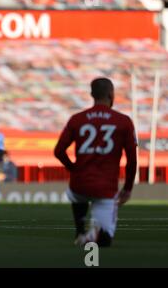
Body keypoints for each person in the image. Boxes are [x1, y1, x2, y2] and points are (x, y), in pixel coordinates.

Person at [54, 78, 137, 247]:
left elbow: (58, 151)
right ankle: (90, 235)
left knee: (76, 195)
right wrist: (127, 189)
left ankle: (80, 230)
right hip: (105, 188)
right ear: (111, 94)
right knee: (104, 241)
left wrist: (73, 169)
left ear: (92, 94)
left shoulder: (77, 119)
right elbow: (132, 159)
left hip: (79, 185)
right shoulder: (124, 121)